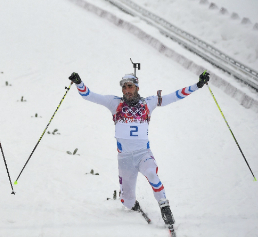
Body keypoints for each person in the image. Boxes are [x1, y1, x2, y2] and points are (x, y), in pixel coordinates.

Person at [68, 70, 210, 227]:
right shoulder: (114, 103)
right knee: (127, 202)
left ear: (137, 88)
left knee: (152, 173)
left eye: (130, 87)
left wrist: (197, 85)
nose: (127, 91)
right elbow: (89, 95)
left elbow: (174, 96)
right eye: (124, 88)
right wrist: (79, 82)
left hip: (143, 154)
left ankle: (164, 207)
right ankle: (132, 203)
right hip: (125, 159)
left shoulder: (148, 103)